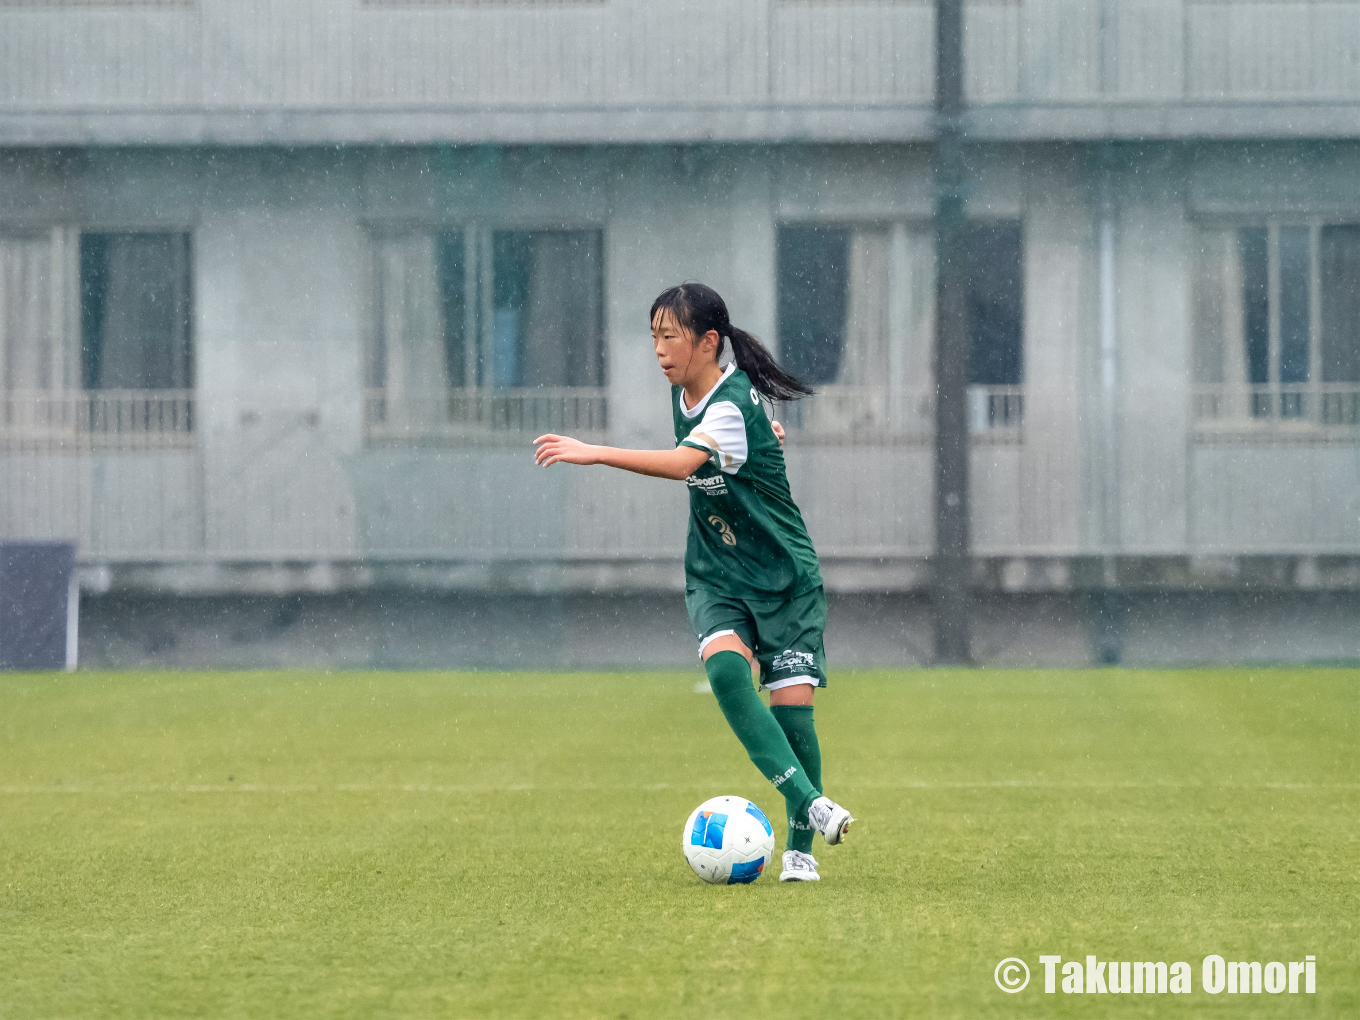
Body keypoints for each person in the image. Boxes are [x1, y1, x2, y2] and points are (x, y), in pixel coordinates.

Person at [533, 282, 854, 883]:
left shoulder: (729, 405)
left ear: (709, 341)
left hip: (784, 578)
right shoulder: (695, 393)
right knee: (729, 673)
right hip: (716, 574)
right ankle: (813, 802)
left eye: (670, 336)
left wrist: (594, 451)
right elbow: (737, 434)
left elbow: (685, 463)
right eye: (653, 336)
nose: (658, 349)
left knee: (794, 719)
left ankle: (800, 850)